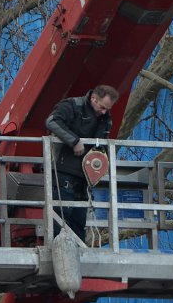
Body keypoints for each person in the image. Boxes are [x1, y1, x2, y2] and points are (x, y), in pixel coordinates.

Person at [44, 84, 120, 241]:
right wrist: (74, 141)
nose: (104, 111)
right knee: (59, 218)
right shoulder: (72, 105)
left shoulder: (106, 119)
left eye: (108, 109)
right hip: (63, 170)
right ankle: (57, 253)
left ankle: (78, 253)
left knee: (79, 221)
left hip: (85, 177)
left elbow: (103, 145)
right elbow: (52, 121)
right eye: (102, 107)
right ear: (93, 98)